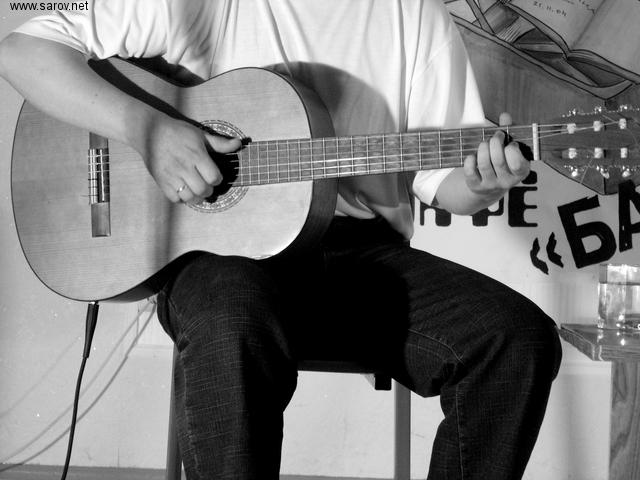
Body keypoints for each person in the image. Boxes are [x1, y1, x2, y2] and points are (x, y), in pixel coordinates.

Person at [0, 1, 562, 479]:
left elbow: (445, 184)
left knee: (516, 337)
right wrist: (147, 129)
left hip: (358, 260)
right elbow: (21, 51)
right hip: (222, 259)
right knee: (232, 311)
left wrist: (483, 183)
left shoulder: (414, 13)